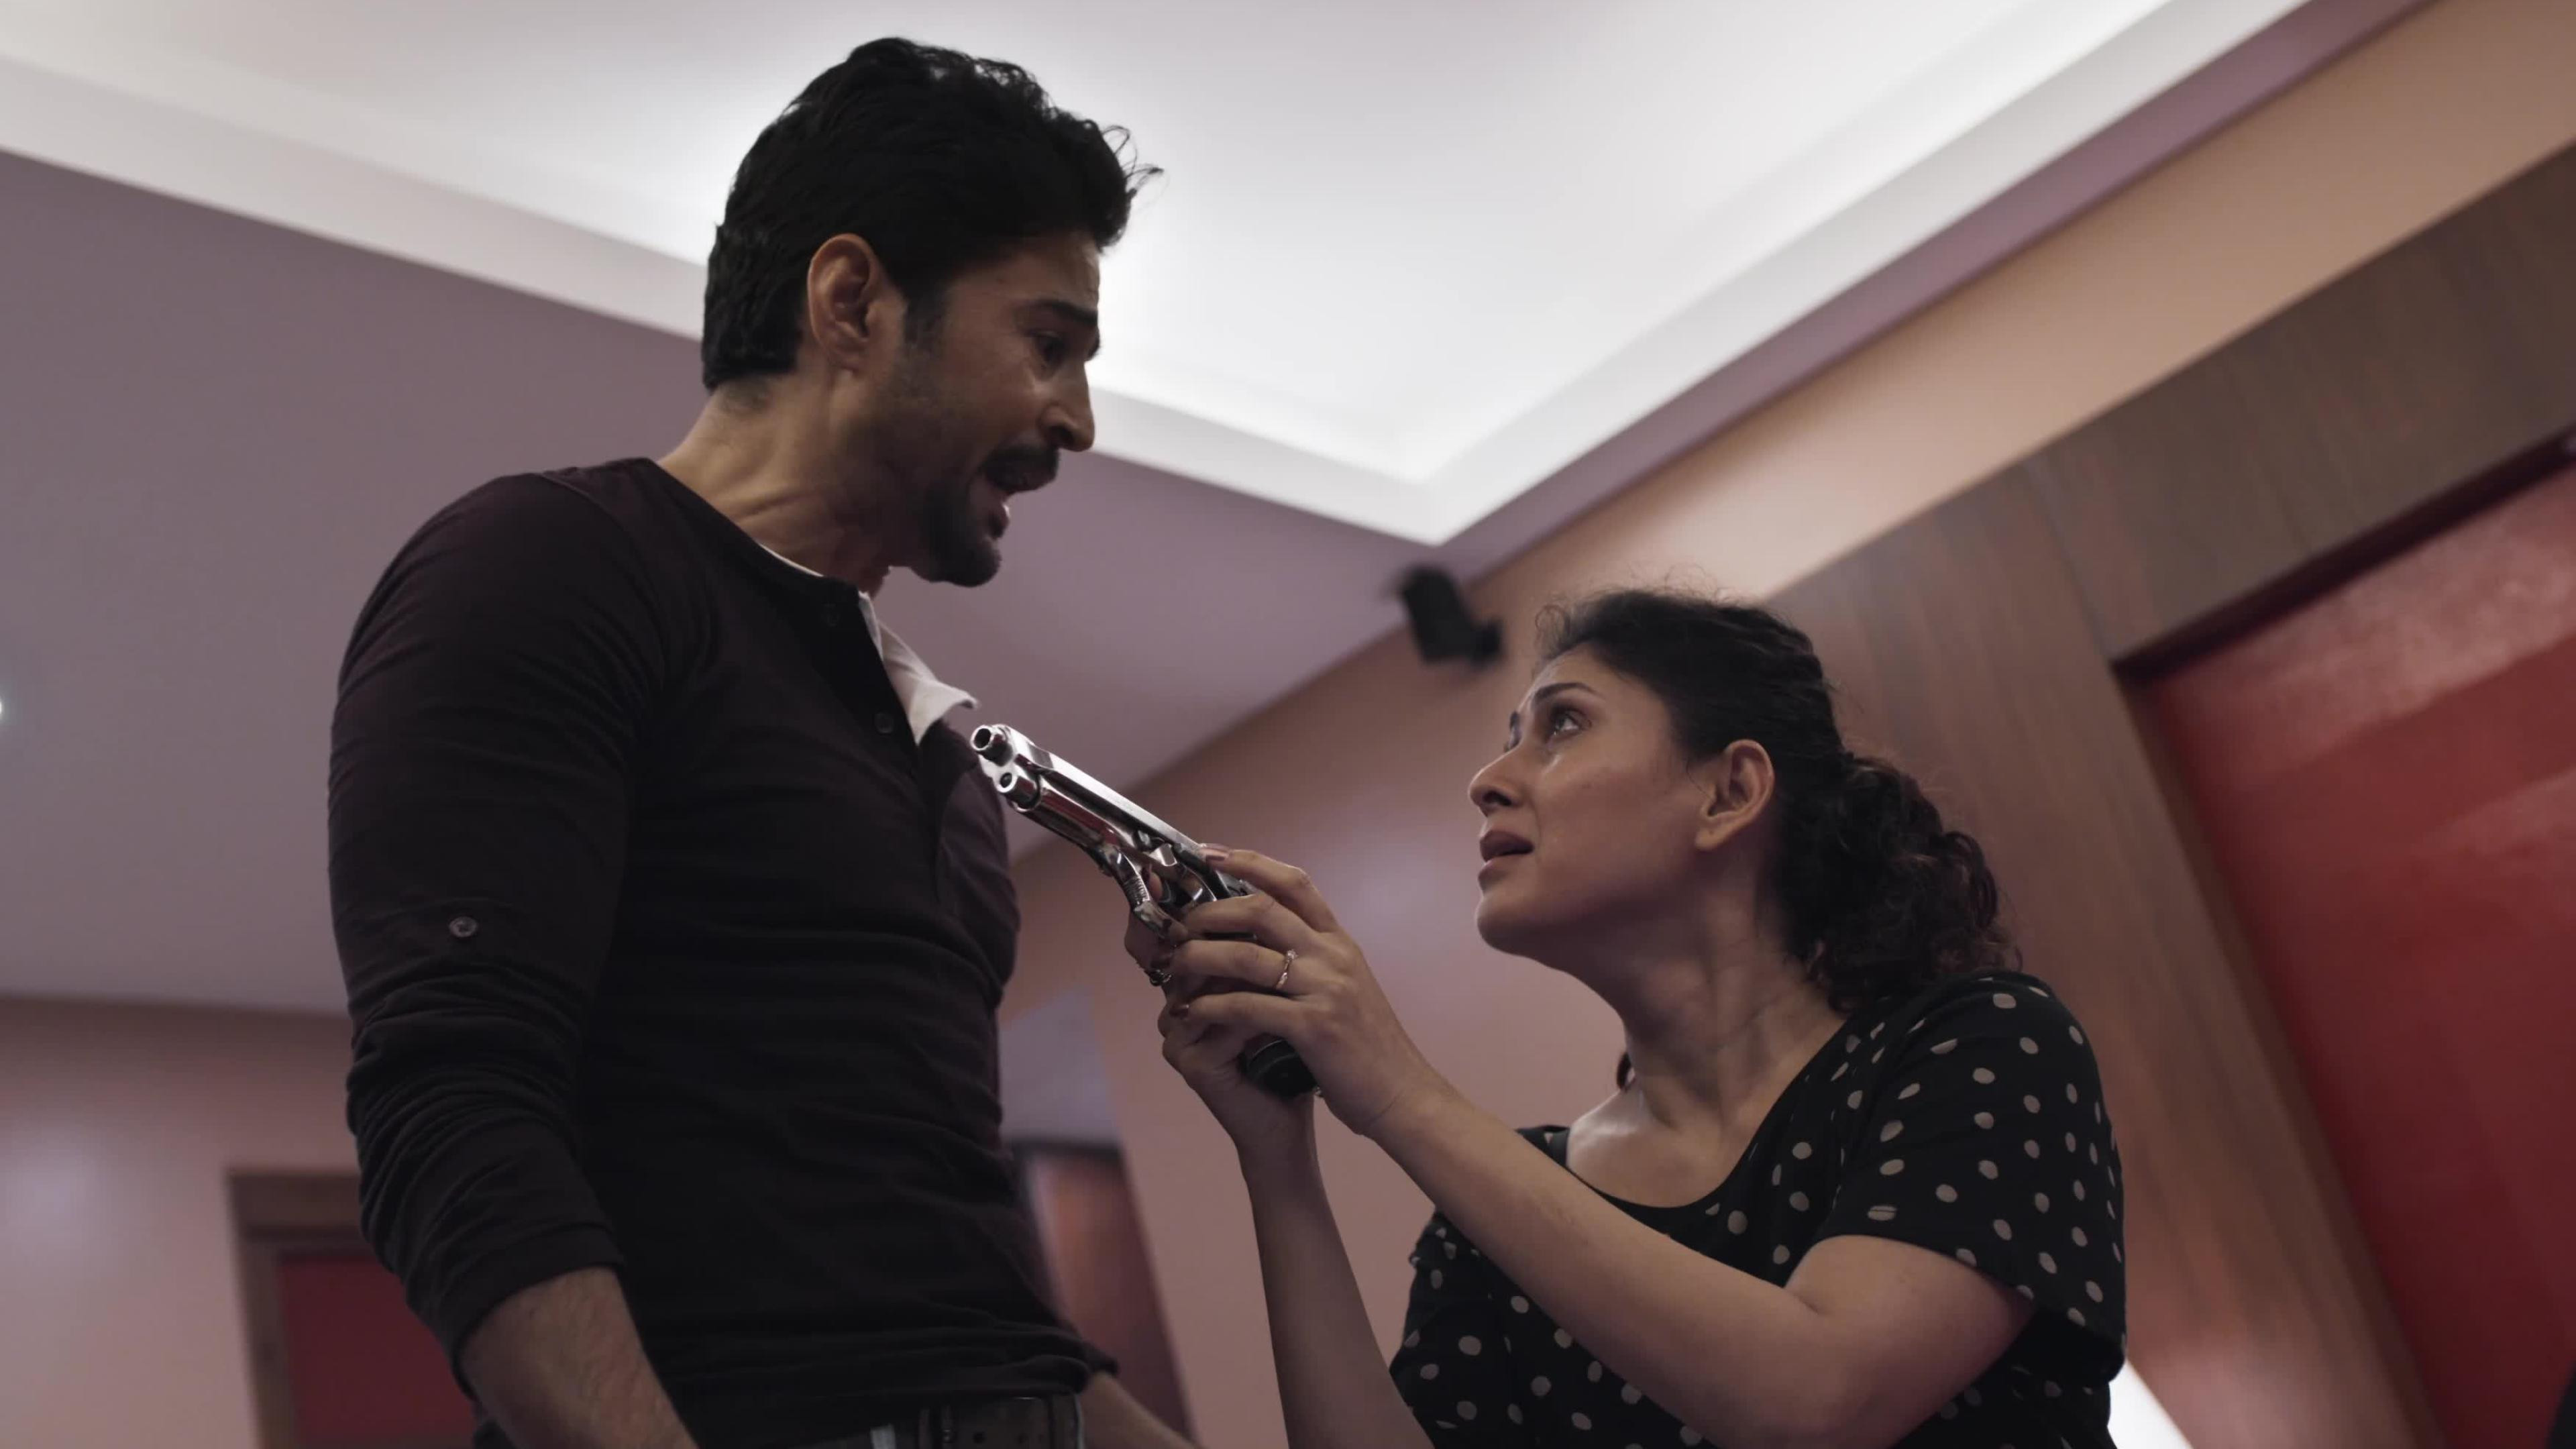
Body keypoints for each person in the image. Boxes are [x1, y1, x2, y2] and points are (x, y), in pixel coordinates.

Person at [329, 38, 1190, 1449]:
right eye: (1048, 344)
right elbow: (456, 1114)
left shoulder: (948, 768)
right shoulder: (551, 568)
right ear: (852, 301)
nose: (1076, 422)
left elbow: (958, 1295)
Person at [1142, 589, 2128, 1448]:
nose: (1489, 779)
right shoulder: (1498, 1216)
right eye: (1512, 735)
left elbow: (1822, 1403)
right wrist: (1278, 1161)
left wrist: (1396, 1088)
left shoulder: (1980, 1044)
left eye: (1563, 724)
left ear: (1730, 792)